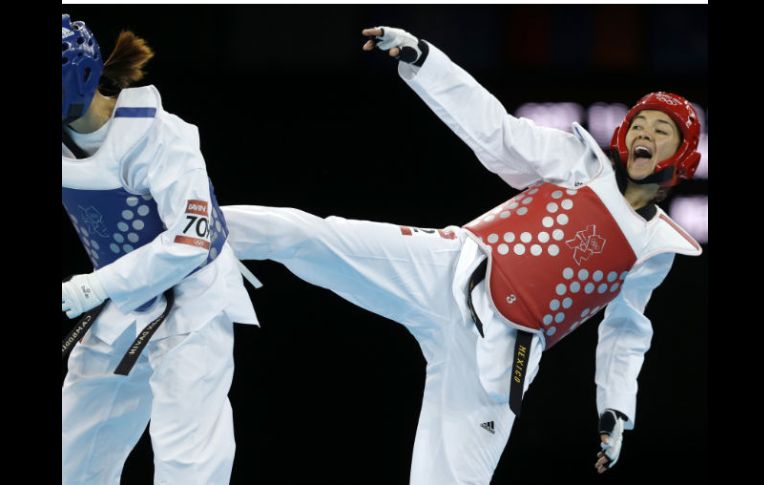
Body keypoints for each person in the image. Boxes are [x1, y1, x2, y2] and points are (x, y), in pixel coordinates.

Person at [220, 26, 703, 484]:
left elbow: (625, 332)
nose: (645, 133)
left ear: (682, 156)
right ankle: (199, 230)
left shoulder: (655, 248)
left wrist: (615, 409)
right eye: (639, 123)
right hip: (451, 265)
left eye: (662, 130)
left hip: (502, 354)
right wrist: (424, 60)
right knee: (315, 237)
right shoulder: (578, 162)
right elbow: (494, 130)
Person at [60, 14, 259, 484]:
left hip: (194, 301)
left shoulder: (159, 135)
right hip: (124, 298)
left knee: (186, 462)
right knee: (75, 456)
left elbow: (192, 239)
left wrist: (92, 287)